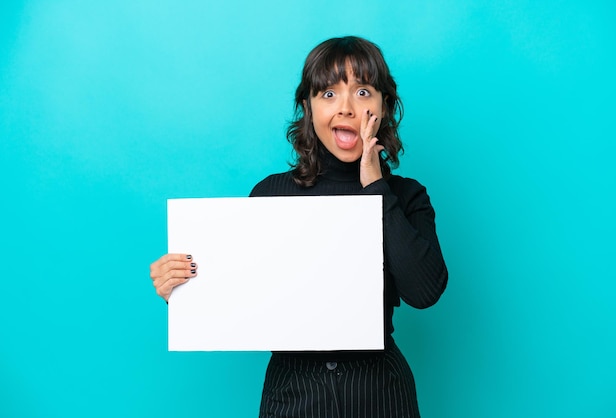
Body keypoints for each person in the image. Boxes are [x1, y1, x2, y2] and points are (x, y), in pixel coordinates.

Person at [150, 36, 448, 418]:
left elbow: (424, 292)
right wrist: (182, 289)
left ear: (384, 105)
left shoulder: (406, 196)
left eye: (362, 91)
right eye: (328, 94)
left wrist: (375, 187)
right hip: (293, 396)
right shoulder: (271, 194)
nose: (346, 108)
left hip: (380, 395)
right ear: (307, 106)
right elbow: (239, 292)